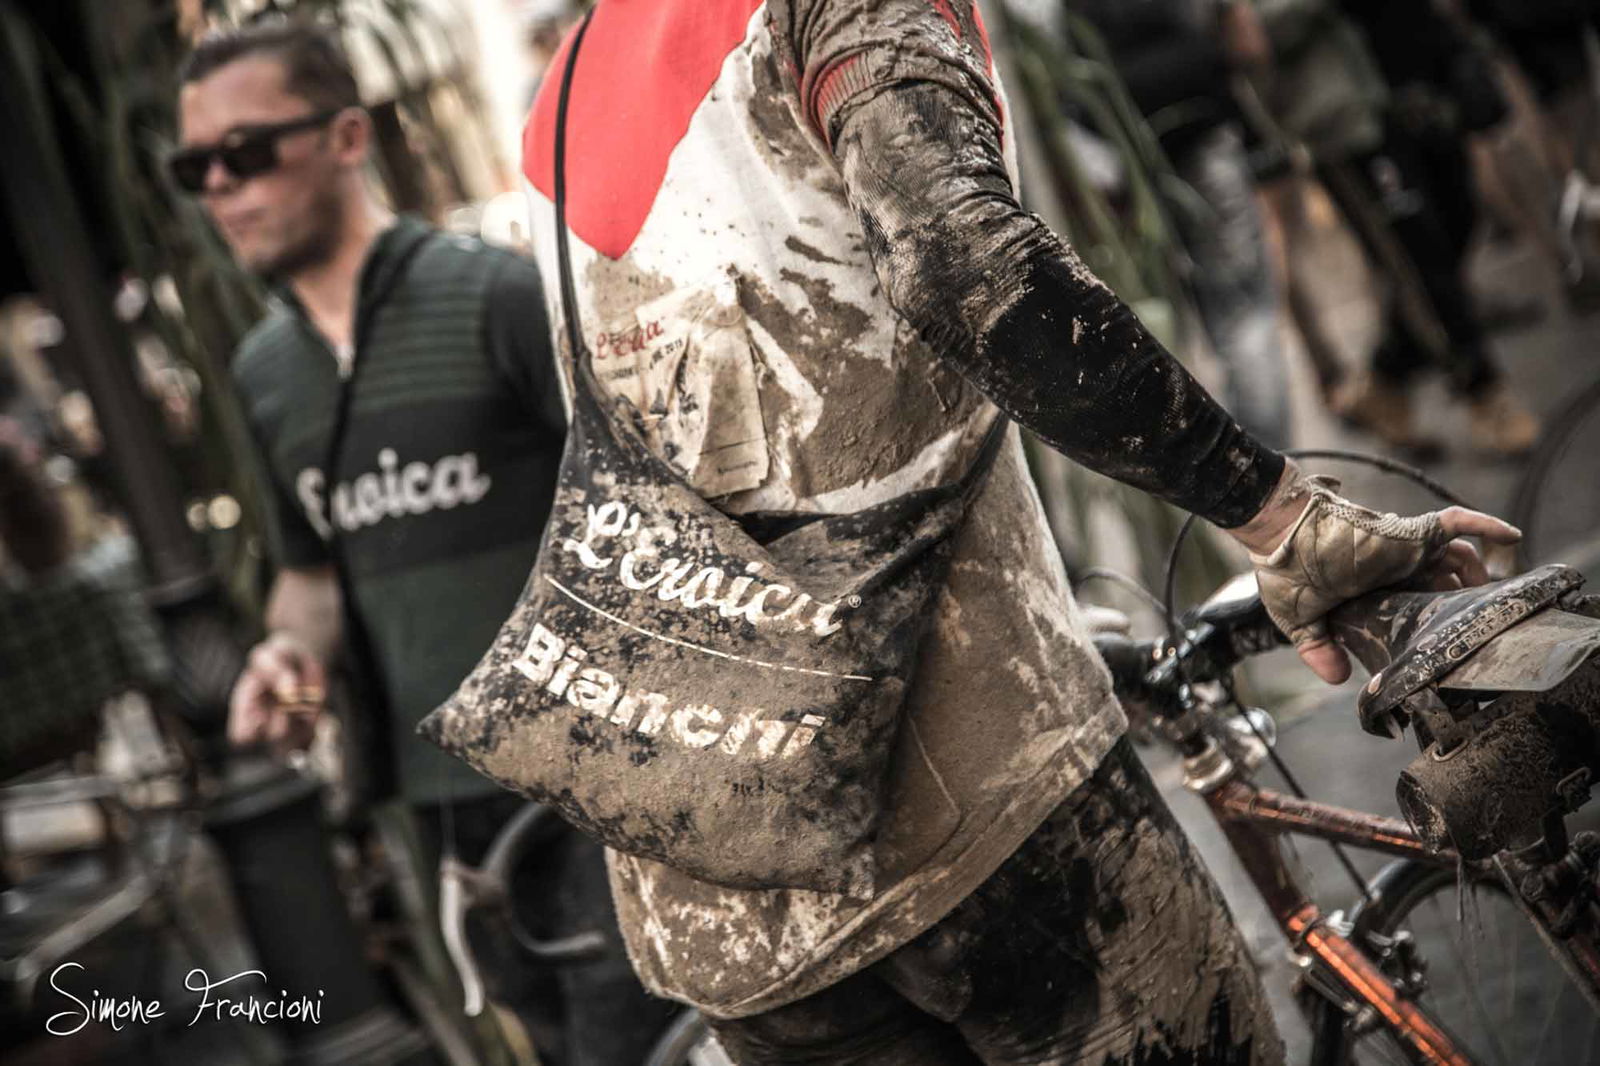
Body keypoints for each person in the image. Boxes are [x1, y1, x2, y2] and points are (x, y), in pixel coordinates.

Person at [501, 2, 1522, 1063]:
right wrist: (1278, 512)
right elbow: (961, 260)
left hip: (712, 882)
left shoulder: (563, 92)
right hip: (965, 810)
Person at [173, 21, 674, 1064]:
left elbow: (652, 505)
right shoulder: (265, 373)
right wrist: (286, 656)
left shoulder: (491, 294)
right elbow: (309, 575)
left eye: (247, 151)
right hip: (442, 817)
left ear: (348, 136)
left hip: (595, 785)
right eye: (196, 167)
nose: (221, 186)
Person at [1069, 0, 1294, 449]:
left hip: (1136, 162)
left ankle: (1250, 466)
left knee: (1201, 323)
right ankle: (1271, 464)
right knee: (1243, 312)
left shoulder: (1069, 18)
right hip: (1194, 140)